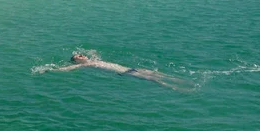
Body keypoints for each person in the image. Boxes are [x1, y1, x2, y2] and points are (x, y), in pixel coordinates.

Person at [54, 54, 193, 91]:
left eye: (81, 54)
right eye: (78, 56)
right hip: (128, 73)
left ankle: (184, 82)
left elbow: (93, 53)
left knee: (159, 74)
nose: (81, 55)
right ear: (77, 61)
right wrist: (51, 69)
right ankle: (174, 87)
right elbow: (68, 68)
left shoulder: (94, 59)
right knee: (153, 79)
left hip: (130, 68)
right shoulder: (86, 65)